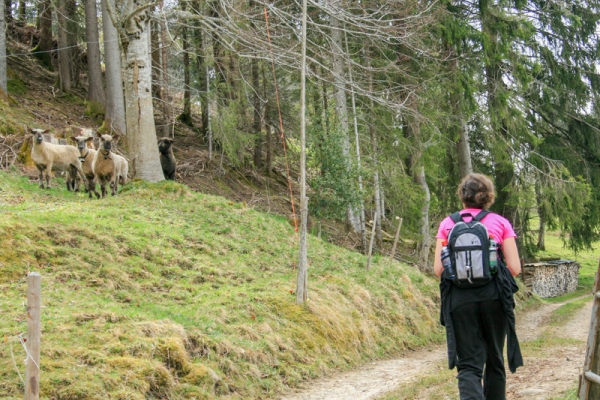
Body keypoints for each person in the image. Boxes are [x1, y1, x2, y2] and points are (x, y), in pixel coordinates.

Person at [434, 173, 522, 400]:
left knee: (469, 365)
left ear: (462, 196)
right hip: (494, 298)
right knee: (494, 359)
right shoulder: (500, 223)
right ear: (488, 197)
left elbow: (438, 270)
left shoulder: (448, 224)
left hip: (460, 301)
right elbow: (514, 268)